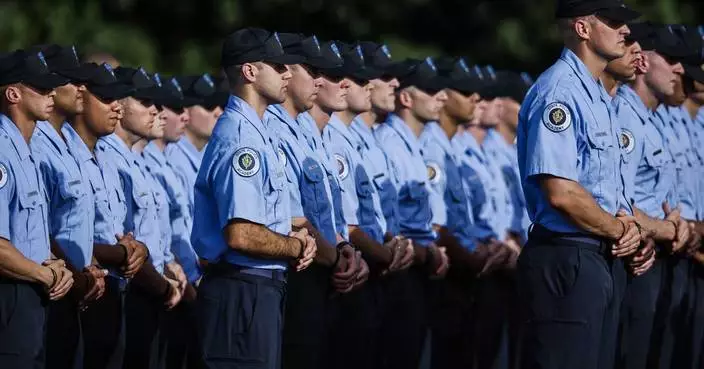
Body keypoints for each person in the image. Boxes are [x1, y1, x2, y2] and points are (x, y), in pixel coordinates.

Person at [515, 0, 643, 368]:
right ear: (583, 29)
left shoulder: (596, 94)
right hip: (566, 258)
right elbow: (561, 192)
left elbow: (601, 186)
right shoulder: (559, 90)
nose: (626, 31)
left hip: (595, 256)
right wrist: (620, 228)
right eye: (614, 21)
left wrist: (627, 225)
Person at [192, 28, 317, 369]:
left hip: (257, 289)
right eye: (278, 66)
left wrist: (295, 237)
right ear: (250, 71)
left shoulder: (257, 132)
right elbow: (241, 233)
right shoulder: (241, 138)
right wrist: (296, 247)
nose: (288, 72)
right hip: (241, 291)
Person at [266, 34, 360, 369]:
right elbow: (294, 219)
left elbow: (326, 214)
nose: (321, 81)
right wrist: (338, 259)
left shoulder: (304, 133)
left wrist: (345, 250)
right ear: (286, 71)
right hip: (297, 273)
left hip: (322, 270)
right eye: (314, 70)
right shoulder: (272, 131)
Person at [322, 42, 408, 369]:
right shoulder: (332, 138)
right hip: (352, 269)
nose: (370, 86)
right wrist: (387, 255)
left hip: (370, 265)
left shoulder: (358, 138)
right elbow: (347, 223)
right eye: (363, 79)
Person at [29, 44, 109, 369]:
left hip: (78, 288)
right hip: (51, 288)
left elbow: (76, 219)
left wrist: (89, 265)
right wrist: (77, 275)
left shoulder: (69, 143)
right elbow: (40, 223)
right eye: (71, 81)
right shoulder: (35, 141)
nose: (81, 89)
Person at [64, 61, 148, 369]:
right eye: (107, 100)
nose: (117, 108)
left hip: (115, 288)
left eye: (118, 100)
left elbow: (122, 232)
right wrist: (122, 252)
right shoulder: (63, 156)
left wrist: (139, 249)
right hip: (82, 290)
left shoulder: (107, 161)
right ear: (82, 97)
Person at [99, 66, 182, 369]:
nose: (155, 111)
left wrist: (169, 266)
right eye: (145, 102)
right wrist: (162, 285)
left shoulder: (131, 160)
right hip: (130, 290)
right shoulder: (109, 159)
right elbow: (123, 241)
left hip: (148, 290)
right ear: (119, 107)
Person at [374, 57, 451, 369]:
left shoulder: (414, 143)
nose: (443, 96)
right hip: (400, 268)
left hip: (420, 263)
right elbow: (388, 220)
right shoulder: (390, 143)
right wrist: (425, 252)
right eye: (432, 91)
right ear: (406, 98)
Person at [0, 49, 74, 369]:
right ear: (13, 93)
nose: (52, 94)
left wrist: (57, 266)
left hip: (34, 293)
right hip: (11, 296)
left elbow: (27, 234)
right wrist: (46, 274)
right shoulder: (3, 151)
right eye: (41, 89)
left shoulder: (27, 151)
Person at [143, 74, 203, 369]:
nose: (184, 116)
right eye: (174, 108)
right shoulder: (150, 161)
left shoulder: (163, 161)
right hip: (151, 283)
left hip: (175, 281)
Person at [168, 73, 223, 210]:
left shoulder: (208, 155)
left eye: (220, 106)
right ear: (186, 111)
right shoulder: (173, 158)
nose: (219, 113)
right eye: (208, 106)